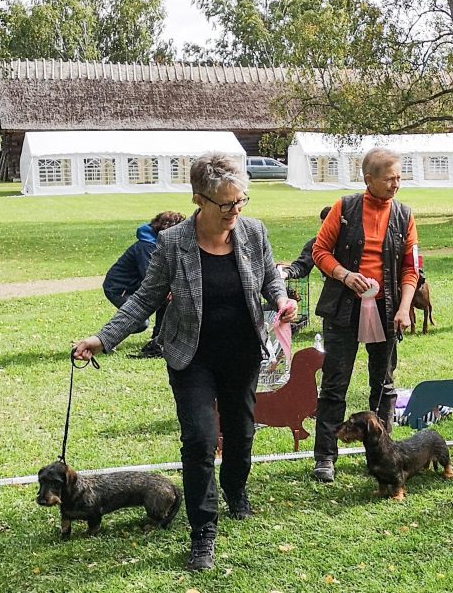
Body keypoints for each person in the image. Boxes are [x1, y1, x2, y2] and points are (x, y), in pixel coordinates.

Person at [73, 153, 295, 571]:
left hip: (243, 352)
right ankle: (203, 534)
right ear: (199, 199)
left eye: (240, 201)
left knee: (242, 436)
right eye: (225, 204)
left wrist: (281, 300)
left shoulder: (253, 231)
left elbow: (270, 277)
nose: (235, 211)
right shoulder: (174, 242)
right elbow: (144, 298)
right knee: (199, 440)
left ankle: (235, 486)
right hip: (191, 356)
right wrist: (103, 338)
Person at [310, 147, 419, 484]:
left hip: (387, 311)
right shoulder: (344, 208)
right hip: (344, 309)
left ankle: (384, 456)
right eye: (389, 179)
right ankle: (325, 457)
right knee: (334, 385)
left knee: (384, 386)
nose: (396, 184)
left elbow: (411, 268)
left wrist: (404, 308)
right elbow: (319, 251)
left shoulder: (404, 214)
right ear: (368, 180)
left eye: (400, 177)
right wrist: (344, 274)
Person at [102, 211, 186, 357]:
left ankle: (158, 337)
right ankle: (107, 339)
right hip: (119, 289)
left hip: (132, 287)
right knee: (140, 323)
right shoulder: (147, 247)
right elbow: (151, 277)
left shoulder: (161, 244)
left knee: (165, 299)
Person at [278, 205, 333, 281]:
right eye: (323, 224)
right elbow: (302, 265)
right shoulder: (316, 244)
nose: (325, 228)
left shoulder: (349, 240)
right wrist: (286, 273)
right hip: (333, 286)